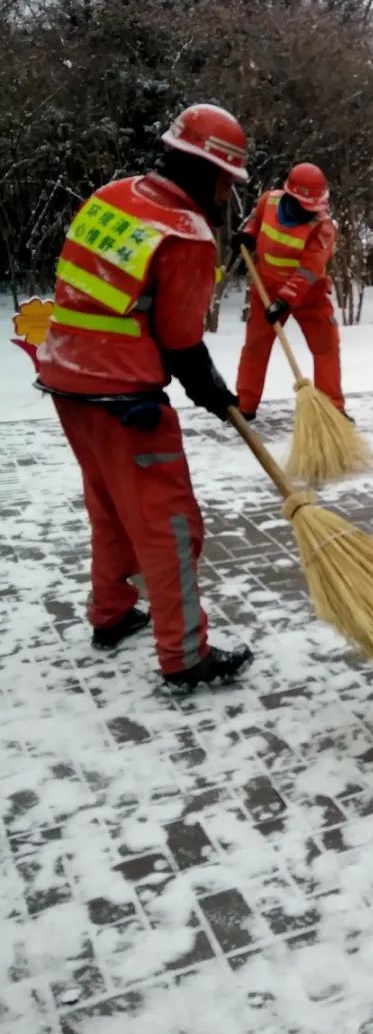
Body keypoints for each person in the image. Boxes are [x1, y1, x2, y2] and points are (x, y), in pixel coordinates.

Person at [36, 103, 255, 690]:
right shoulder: (185, 235)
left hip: (66, 380)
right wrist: (213, 391)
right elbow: (181, 341)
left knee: (110, 506)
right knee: (170, 525)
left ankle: (110, 615)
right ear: (211, 175)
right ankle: (185, 658)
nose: (226, 195)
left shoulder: (113, 195)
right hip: (125, 401)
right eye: (227, 183)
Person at [233, 163, 344, 421]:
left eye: (316, 207)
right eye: (306, 207)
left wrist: (285, 301)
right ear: (290, 197)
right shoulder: (268, 202)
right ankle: (245, 406)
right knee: (255, 347)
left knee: (326, 346)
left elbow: (309, 269)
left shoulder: (323, 227)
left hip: (309, 294)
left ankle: (333, 410)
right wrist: (247, 235)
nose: (312, 213)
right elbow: (255, 221)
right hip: (266, 289)